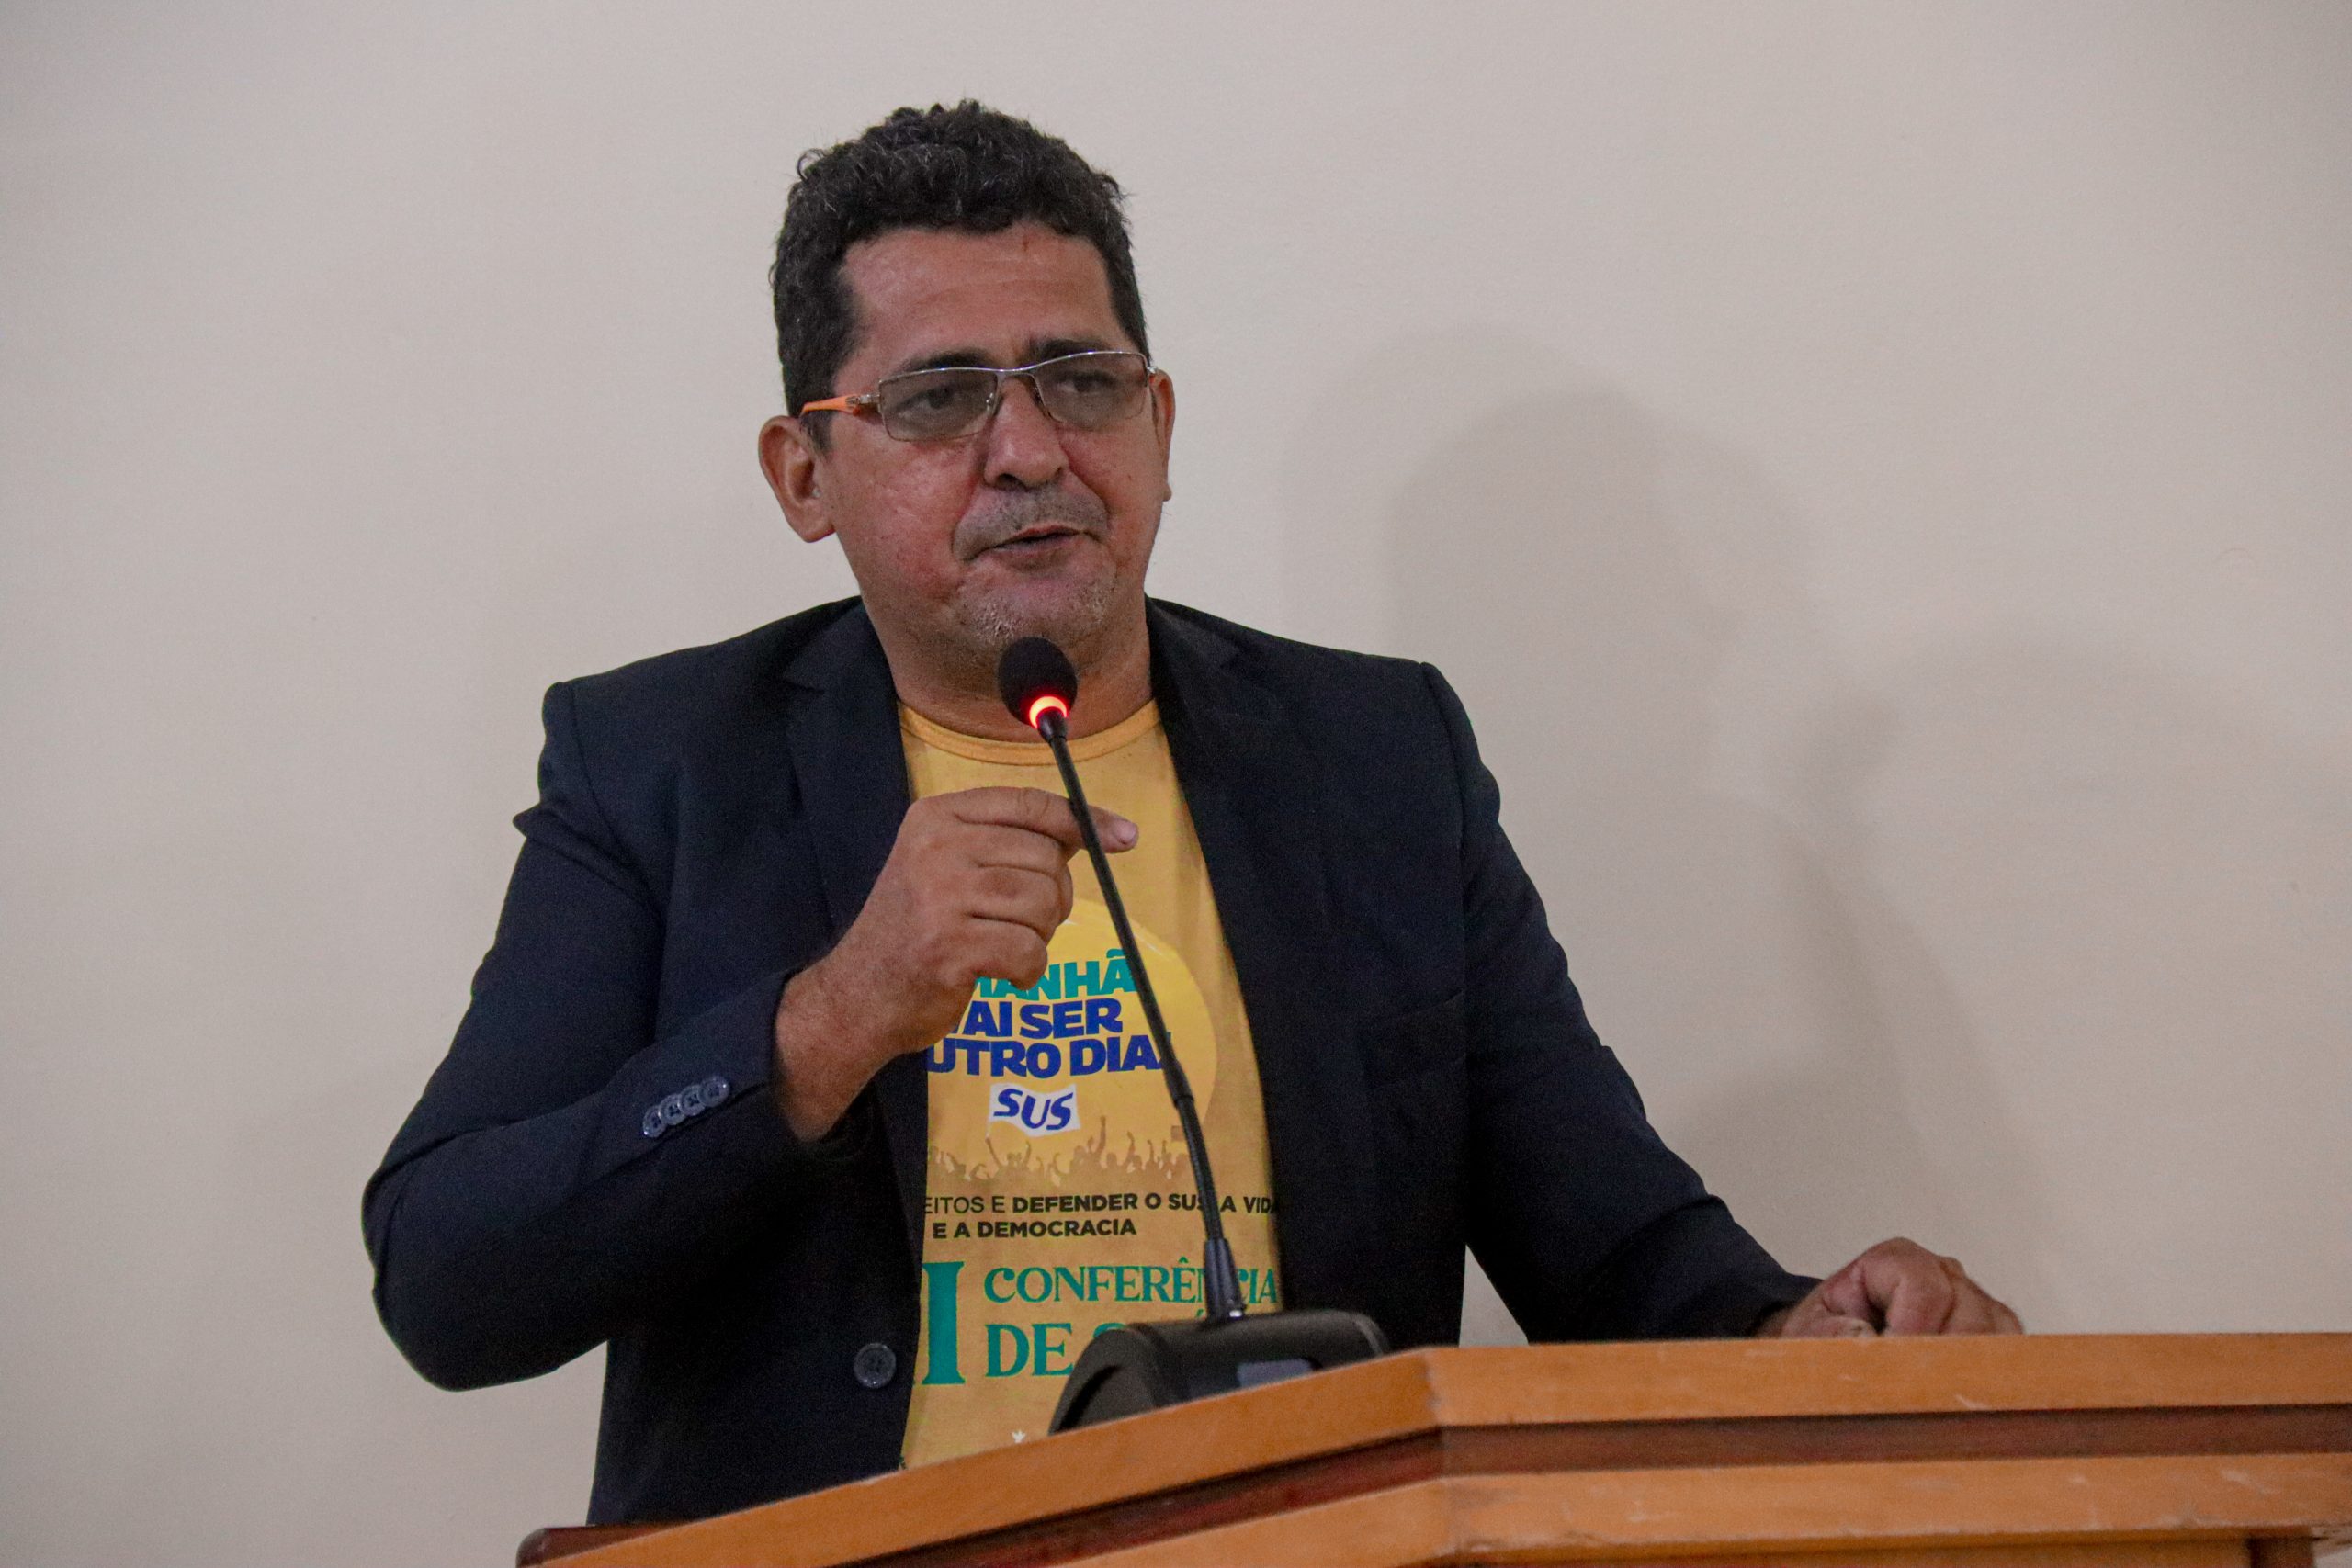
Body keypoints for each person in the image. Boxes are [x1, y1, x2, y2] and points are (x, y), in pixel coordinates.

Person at [363, 101, 2019, 1527]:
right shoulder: (659, 765)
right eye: (938, 400)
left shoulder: (1375, 761)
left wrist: (1797, 1335)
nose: (1029, 450)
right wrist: (832, 1018)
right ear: (807, 475)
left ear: (1157, 427)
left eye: (1080, 383)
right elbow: (450, 1276)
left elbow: (1613, 1245)